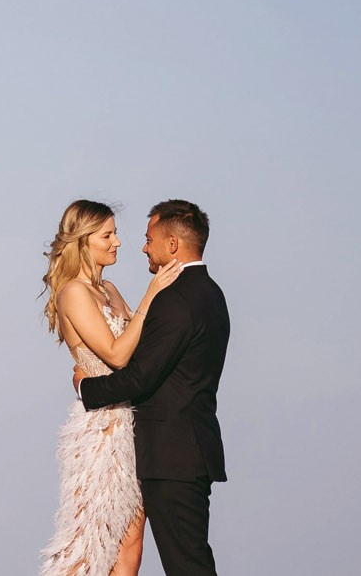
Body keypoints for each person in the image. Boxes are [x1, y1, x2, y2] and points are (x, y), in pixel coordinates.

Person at [74, 200, 230, 576]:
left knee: (187, 565)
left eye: (149, 239)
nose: (143, 247)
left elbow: (141, 376)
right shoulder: (212, 293)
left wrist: (86, 388)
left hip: (173, 456)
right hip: (191, 450)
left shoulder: (176, 299)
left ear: (172, 245)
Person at [36, 200, 183, 576]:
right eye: (108, 235)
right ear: (84, 242)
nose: (118, 241)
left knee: (131, 548)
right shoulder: (73, 292)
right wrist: (151, 294)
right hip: (100, 432)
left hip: (133, 428)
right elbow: (117, 355)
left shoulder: (111, 290)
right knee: (89, 543)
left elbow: (143, 347)